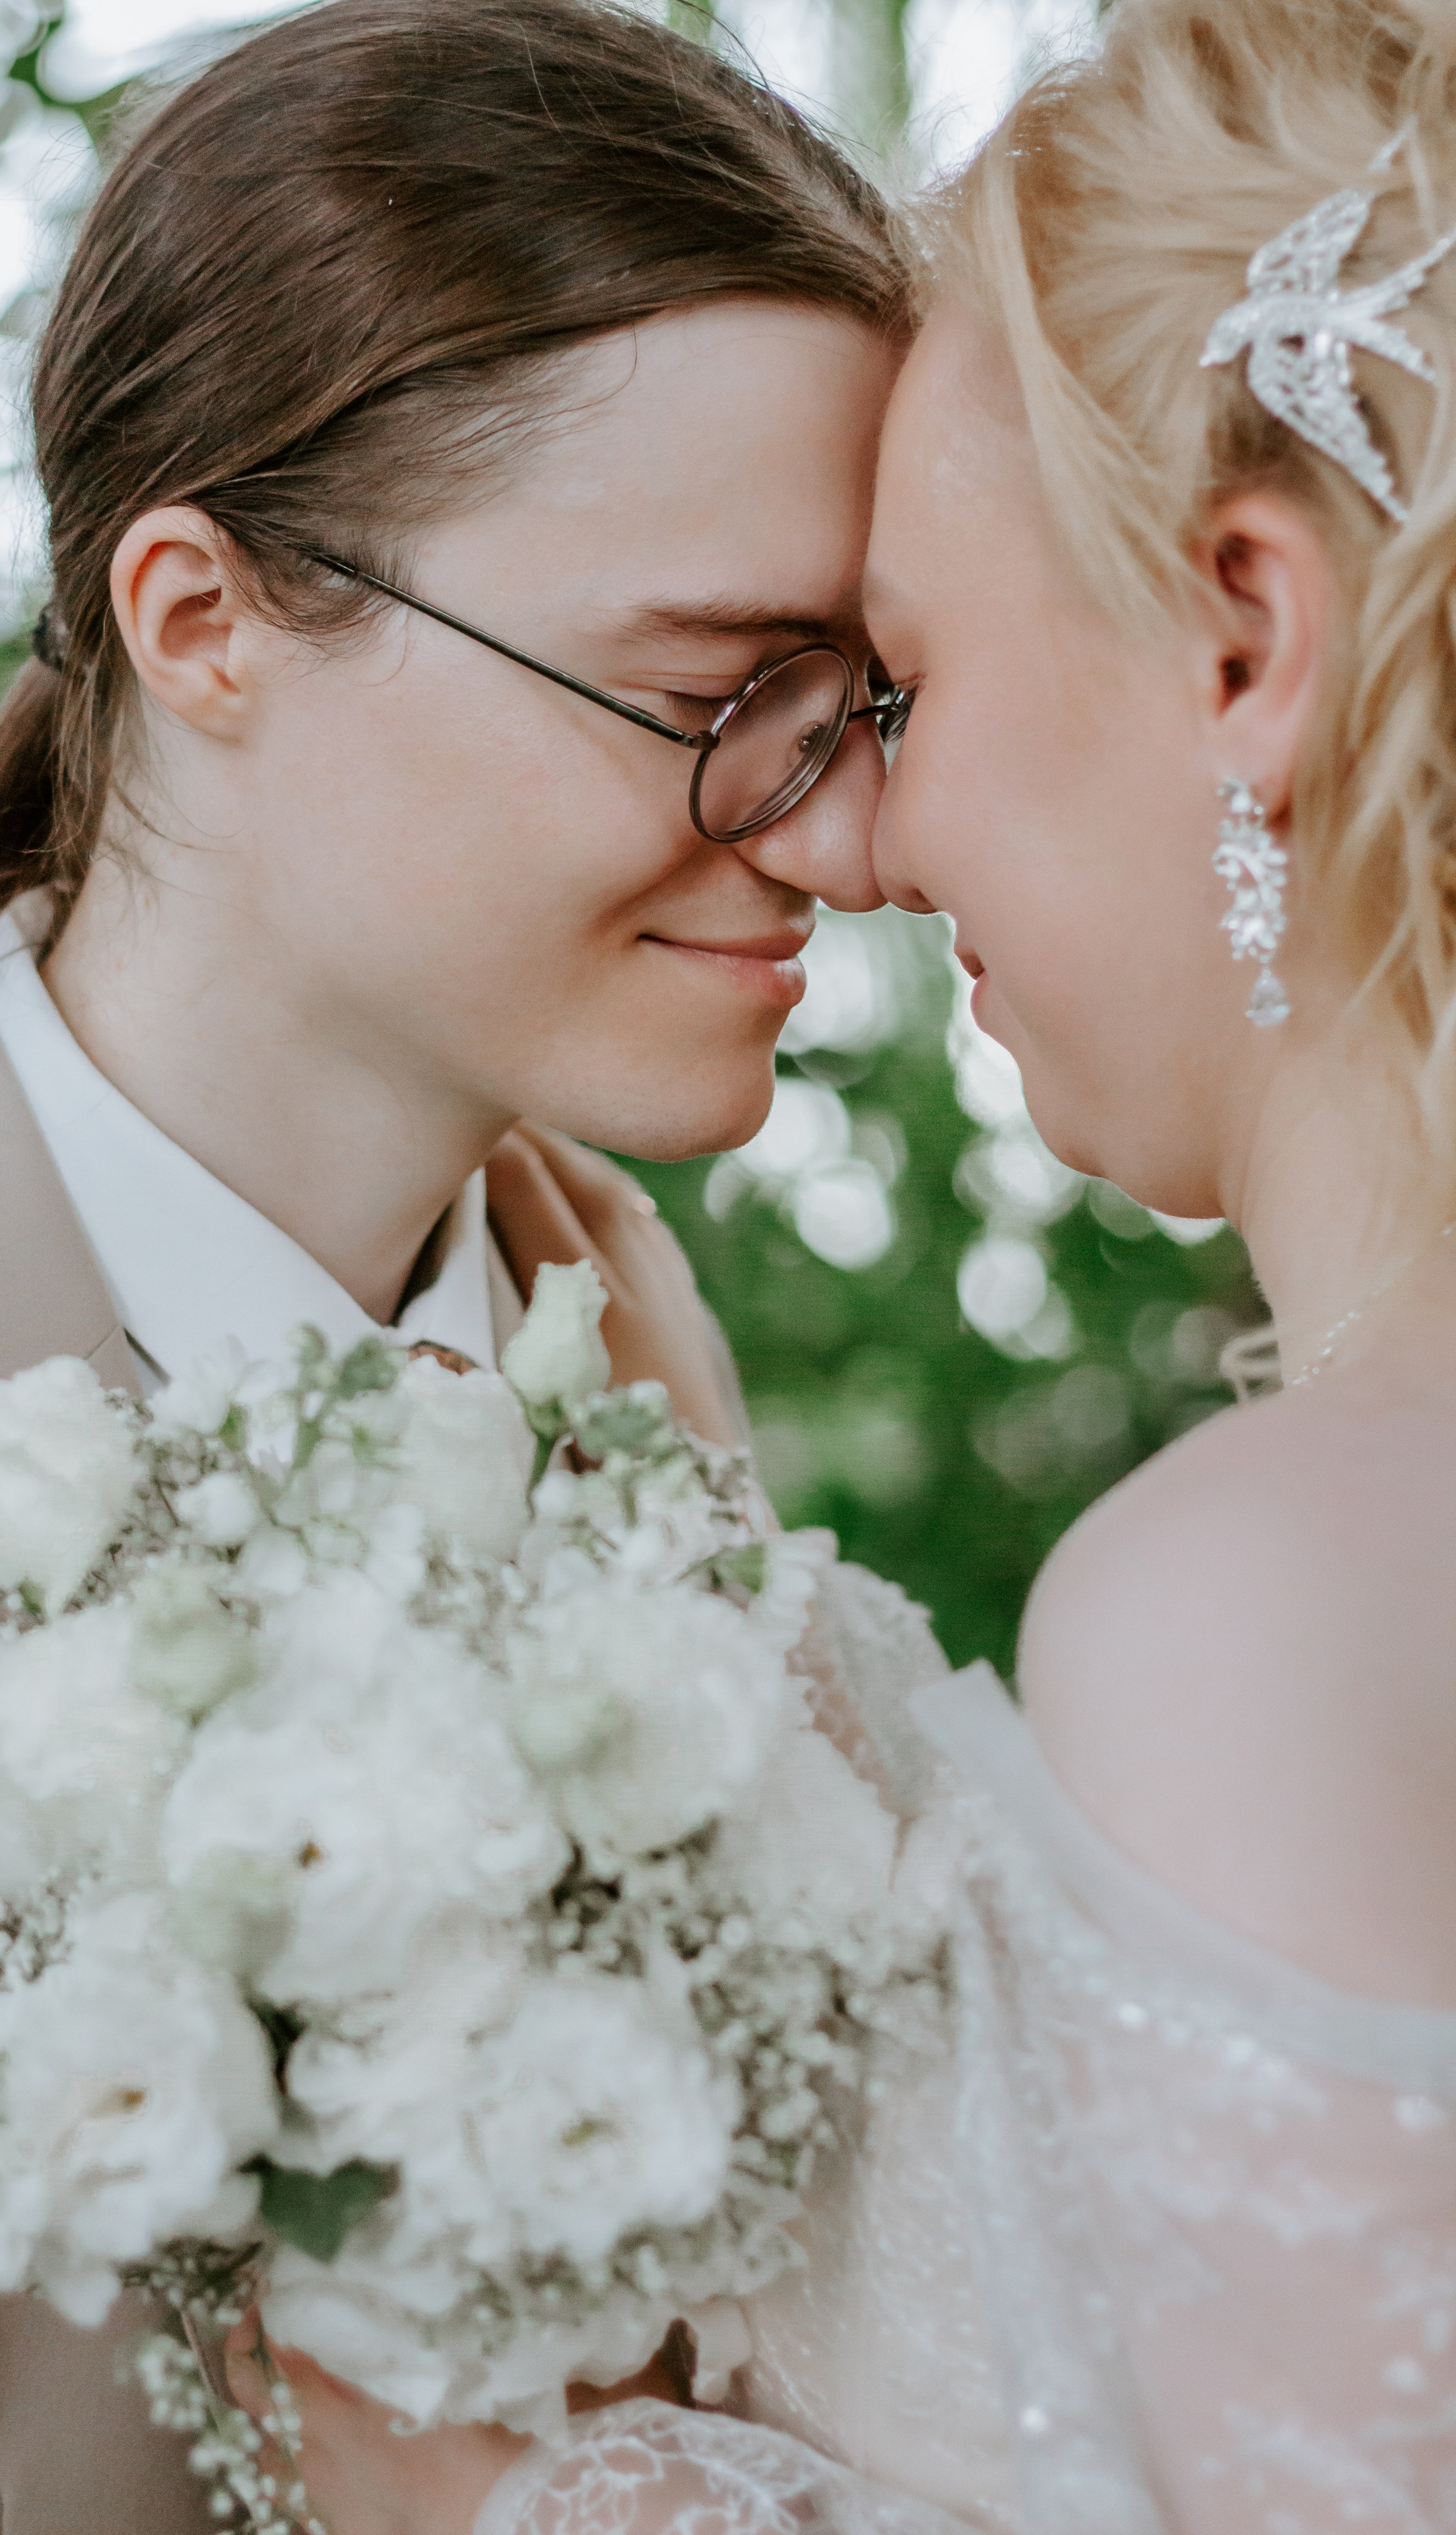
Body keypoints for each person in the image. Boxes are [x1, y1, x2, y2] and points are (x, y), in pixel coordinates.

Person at [233, 1, 1456, 2528]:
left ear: (1248, 637)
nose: (855, 843)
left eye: (901, 678)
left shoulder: (1268, 1600)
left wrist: (501, 2498)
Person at [0, 4, 911, 2526]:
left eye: (866, 709)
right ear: (202, 619)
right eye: (723, 694)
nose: (840, 849)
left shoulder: (647, 1434)